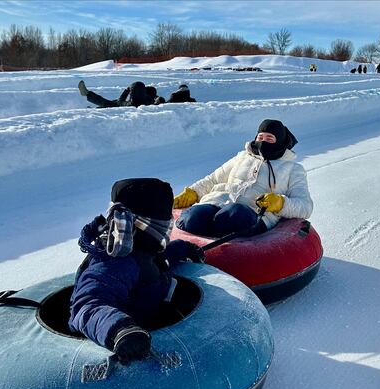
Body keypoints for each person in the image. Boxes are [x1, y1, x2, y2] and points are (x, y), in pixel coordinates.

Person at [69, 178, 205, 364]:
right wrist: (121, 330)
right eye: (164, 225)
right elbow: (87, 305)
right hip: (119, 334)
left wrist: (183, 248)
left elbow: (160, 260)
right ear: (144, 226)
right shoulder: (117, 263)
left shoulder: (141, 248)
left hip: (147, 313)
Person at [174, 119, 313, 238]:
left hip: (253, 213)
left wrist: (280, 203)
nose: (263, 142)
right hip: (217, 201)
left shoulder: (293, 169)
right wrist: (193, 192)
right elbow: (213, 179)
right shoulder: (242, 157)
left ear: (280, 142)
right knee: (193, 218)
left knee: (234, 215)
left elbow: (305, 206)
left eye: (269, 139)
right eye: (260, 137)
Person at [78, 80, 154, 108]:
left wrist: (126, 90)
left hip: (119, 106)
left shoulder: (132, 103)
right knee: (108, 103)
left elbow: (120, 101)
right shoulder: (149, 100)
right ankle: (88, 96)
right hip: (122, 104)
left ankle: (87, 94)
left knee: (107, 103)